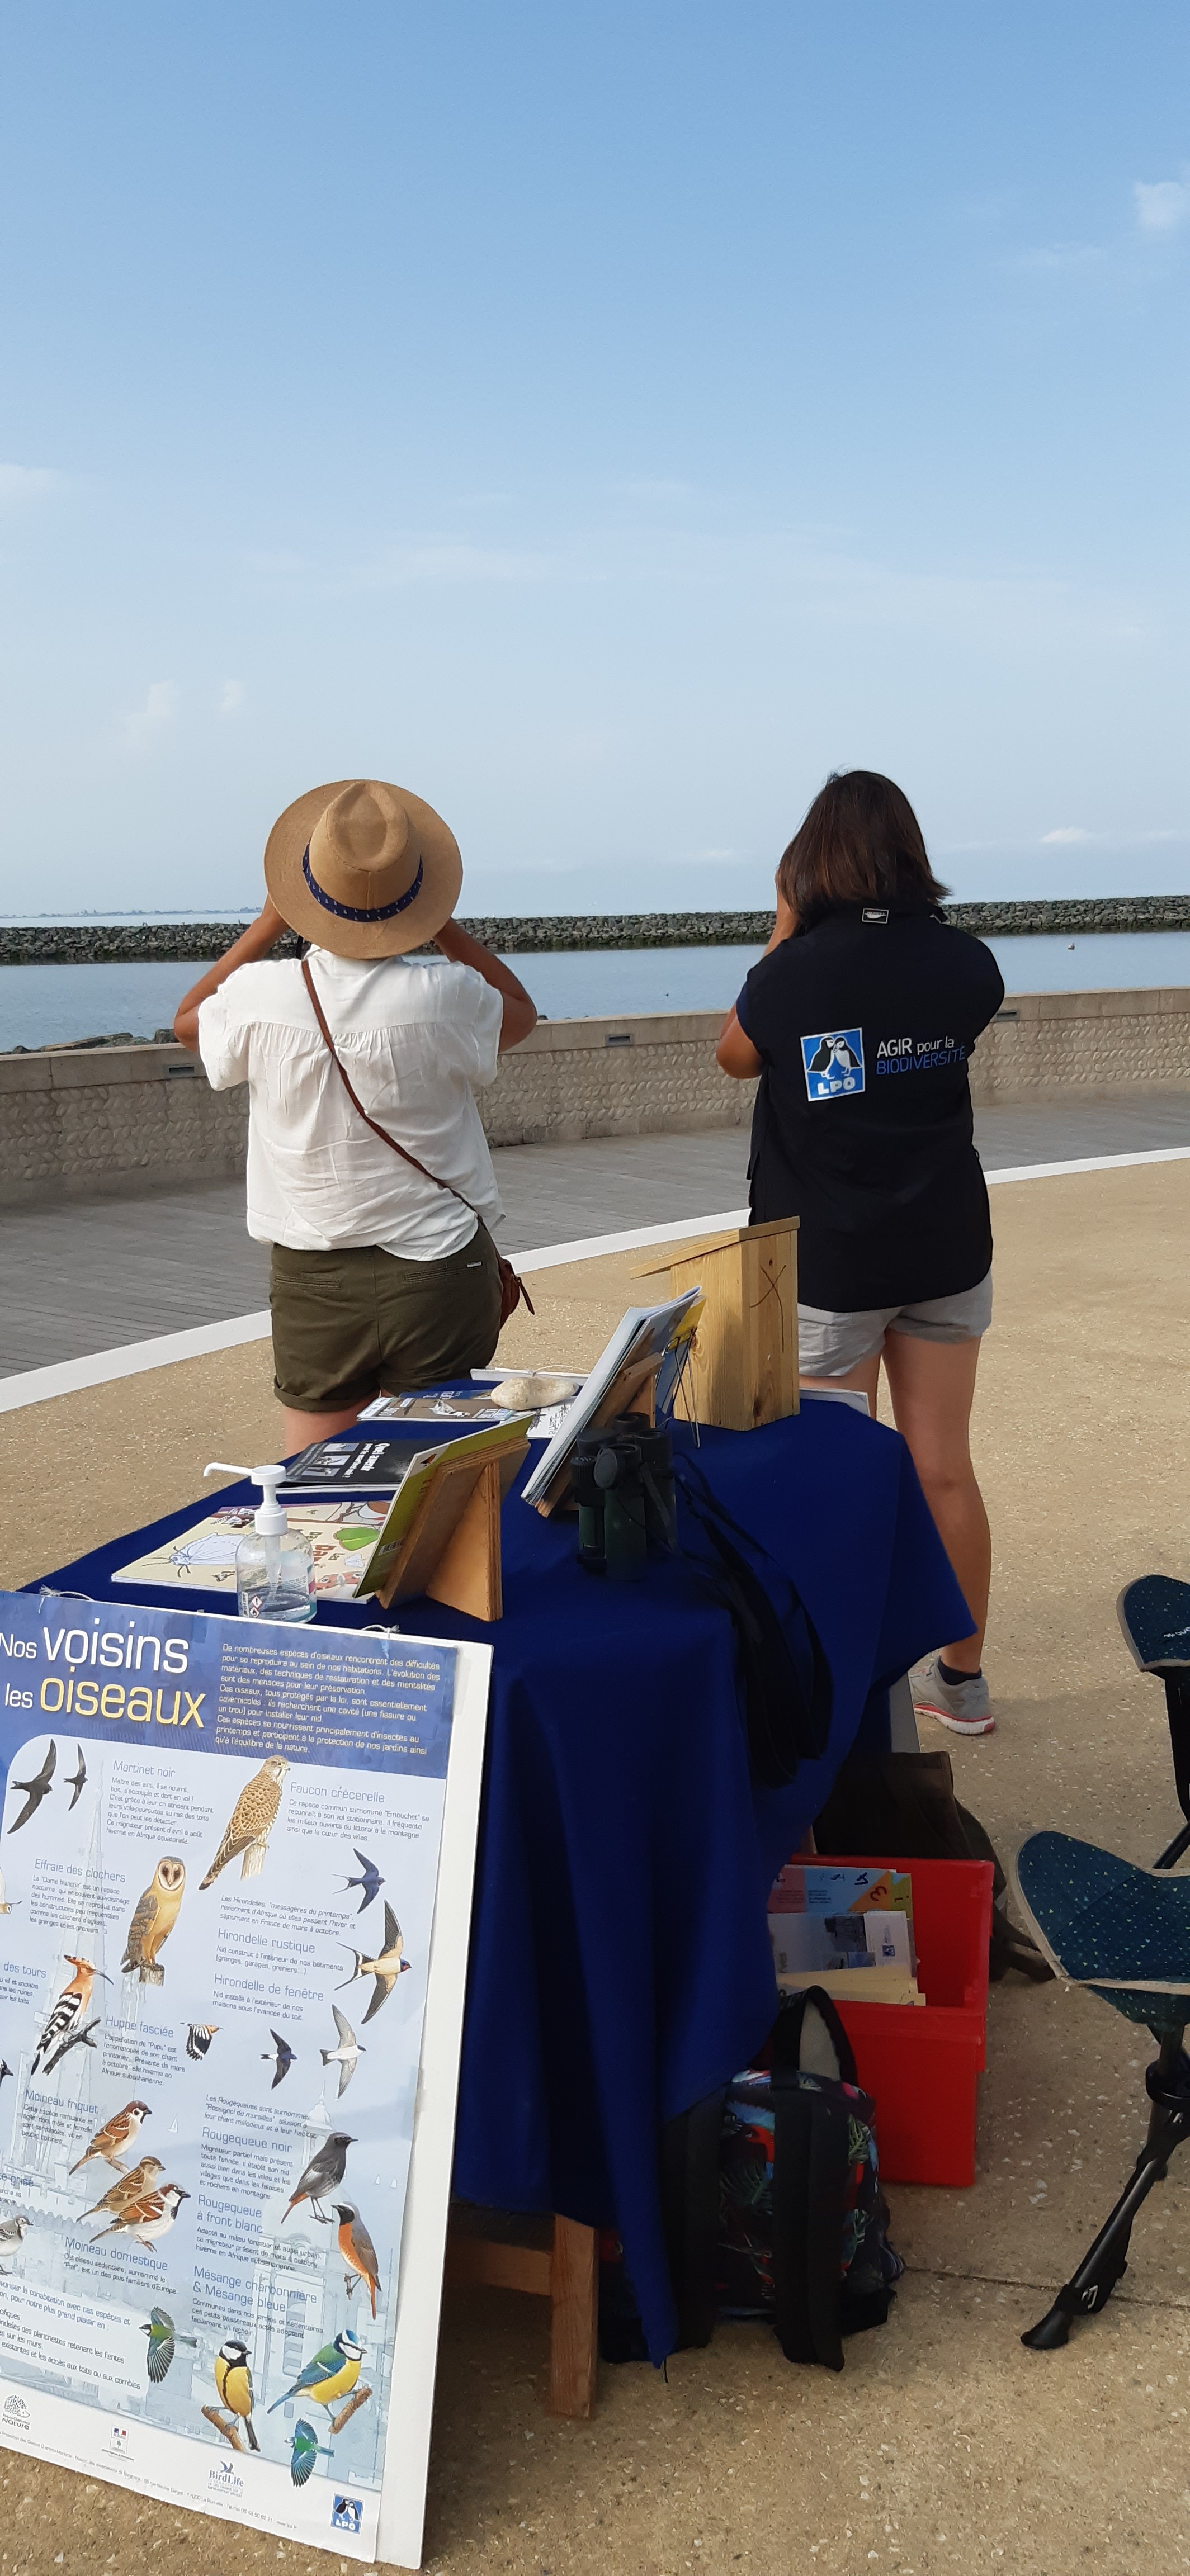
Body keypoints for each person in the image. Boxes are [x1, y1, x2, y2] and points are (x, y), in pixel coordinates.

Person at [716, 769, 1005, 1736]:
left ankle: (832, 1686)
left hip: (826, 1260)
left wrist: (783, 923)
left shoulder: (791, 972)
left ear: (807, 864)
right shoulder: (967, 964)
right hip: (944, 1249)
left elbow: (735, 1054)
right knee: (943, 1469)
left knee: (828, 1473)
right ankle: (960, 1681)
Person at [173, 776, 537, 1452]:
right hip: (438, 1262)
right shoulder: (448, 994)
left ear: (306, 891)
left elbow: (188, 1023)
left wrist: (266, 923)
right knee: (438, 1471)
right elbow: (520, 1015)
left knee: (318, 1483)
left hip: (315, 1271)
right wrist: (442, 927)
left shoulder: (261, 994)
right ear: (418, 895)